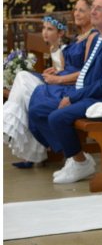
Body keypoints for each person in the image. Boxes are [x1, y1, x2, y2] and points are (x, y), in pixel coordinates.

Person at [28, 0, 102, 184]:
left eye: (98, 9)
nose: (93, 11)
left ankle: (80, 161)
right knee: (45, 105)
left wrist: (74, 97)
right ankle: (74, 158)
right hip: (95, 94)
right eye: (93, 7)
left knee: (57, 117)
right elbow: (89, 73)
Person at [4, 16, 83, 168]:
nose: (45, 33)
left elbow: (69, 72)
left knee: (23, 79)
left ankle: (30, 150)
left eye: (50, 29)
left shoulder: (64, 48)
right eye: (44, 28)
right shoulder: (53, 47)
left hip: (63, 88)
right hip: (56, 83)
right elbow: (60, 70)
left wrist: (58, 73)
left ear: (60, 33)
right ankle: (32, 153)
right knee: (24, 93)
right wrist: (55, 71)